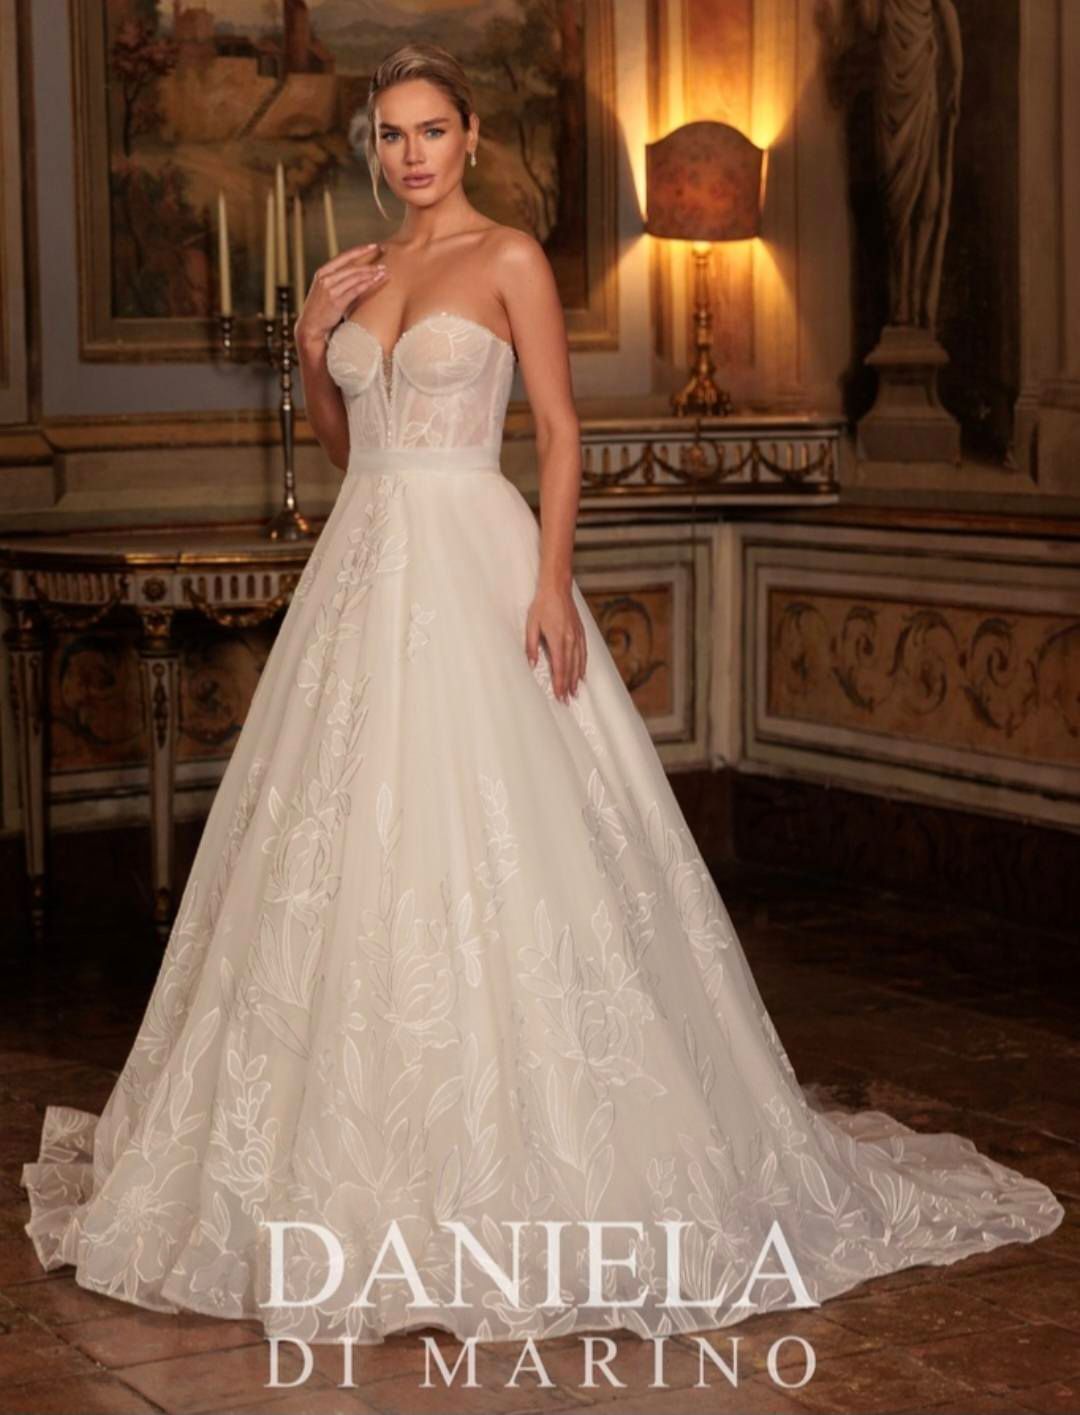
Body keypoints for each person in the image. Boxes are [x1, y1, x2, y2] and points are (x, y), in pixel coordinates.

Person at [21, 41, 1063, 1348]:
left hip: (477, 556)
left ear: (470, 138)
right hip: (366, 568)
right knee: (341, 850)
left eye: (428, 132)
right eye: (388, 137)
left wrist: (553, 583)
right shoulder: (365, 273)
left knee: (506, 835)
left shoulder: (507, 257)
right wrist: (306, 344)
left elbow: (560, 431)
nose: (408, 156)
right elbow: (352, 453)